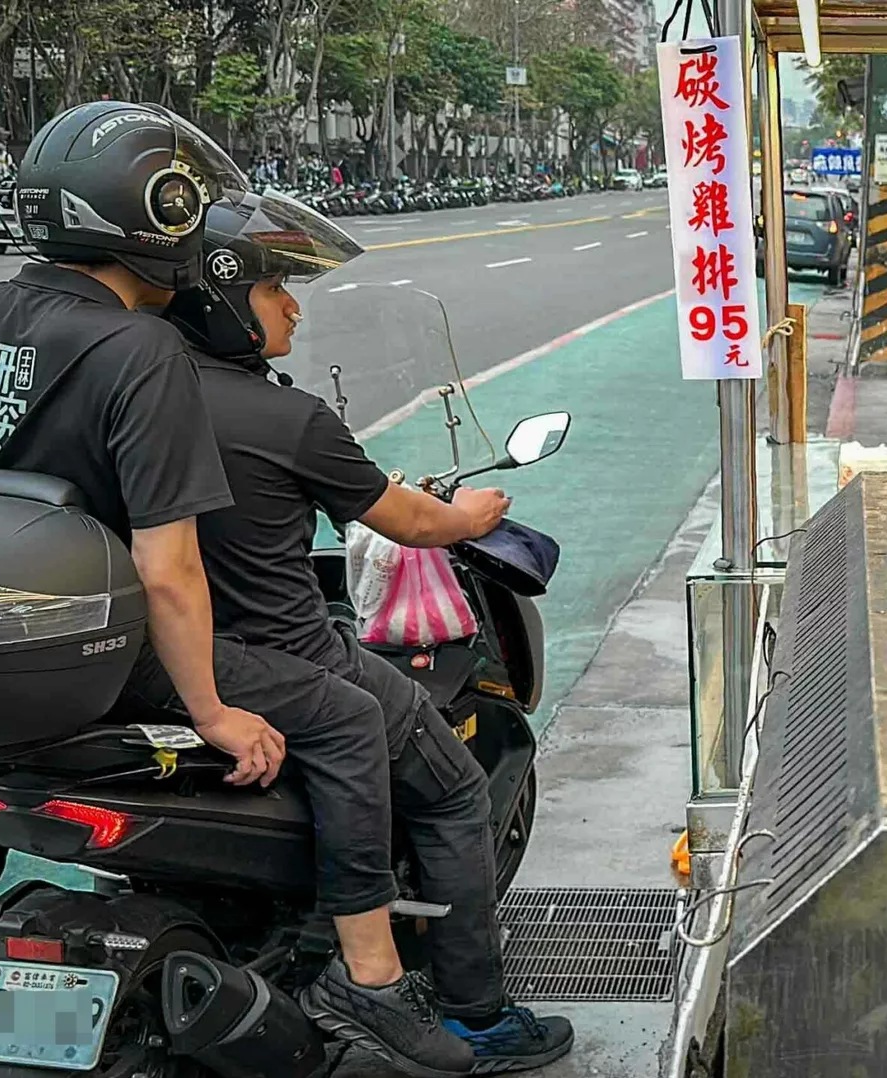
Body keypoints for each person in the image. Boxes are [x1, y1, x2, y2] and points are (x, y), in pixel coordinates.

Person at [156, 191, 574, 1074]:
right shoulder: (288, 419)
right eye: (276, 290)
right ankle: (471, 1011)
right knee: (454, 791)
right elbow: (409, 522)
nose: (293, 307)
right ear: (228, 297)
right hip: (290, 655)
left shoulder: (137, 396)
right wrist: (468, 514)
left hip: (166, 663)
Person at [0, 105, 281, 906]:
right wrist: (212, 712)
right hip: (99, 654)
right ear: (161, 211)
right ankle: (375, 981)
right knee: (352, 718)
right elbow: (167, 568)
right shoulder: (142, 348)